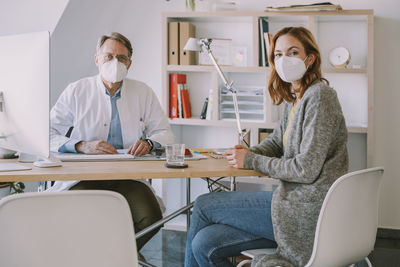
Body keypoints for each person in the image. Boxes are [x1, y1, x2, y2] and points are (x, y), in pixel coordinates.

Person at [184, 26, 348, 267]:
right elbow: (276, 143)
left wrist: (250, 161)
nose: (284, 60)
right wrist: (245, 153)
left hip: (307, 209)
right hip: (291, 203)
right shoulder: (296, 97)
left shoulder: (320, 96)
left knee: (203, 204)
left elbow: (306, 169)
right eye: (278, 55)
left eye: (293, 52)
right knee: (204, 242)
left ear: (310, 59)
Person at [48, 32, 174, 251]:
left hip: (128, 176)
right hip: (83, 176)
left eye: (122, 58)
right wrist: (81, 145)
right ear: (97, 59)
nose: (115, 62)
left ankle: (114, 258)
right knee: (80, 220)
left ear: (130, 63)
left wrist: (149, 143)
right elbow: (46, 133)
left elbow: (165, 133)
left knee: (151, 218)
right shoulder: (77, 91)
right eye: (108, 56)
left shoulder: (143, 92)